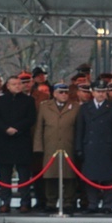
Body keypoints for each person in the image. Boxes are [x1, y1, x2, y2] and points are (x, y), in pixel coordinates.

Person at [74, 80, 112, 214]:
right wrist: (79, 148)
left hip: (107, 147)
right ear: (92, 92)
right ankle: (92, 204)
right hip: (90, 146)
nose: (100, 94)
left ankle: (108, 204)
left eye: (103, 91)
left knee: (108, 179)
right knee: (90, 178)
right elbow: (80, 130)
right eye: (98, 91)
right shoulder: (84, 108)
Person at [33, 82, 80, 212]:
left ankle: (68, 202)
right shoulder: (45, 106)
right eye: (61, 92)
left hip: (68, 145)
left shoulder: (75, 107)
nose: (64, 95)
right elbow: (39, 128)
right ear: (54, 94)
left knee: (69, 175)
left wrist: (78, 147)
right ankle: (51, 202)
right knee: (50, 175)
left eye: (66, 92)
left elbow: (78, 128)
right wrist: (38, 147)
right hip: (50, 145)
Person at [0, 75, 36, 212]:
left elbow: (31, 119)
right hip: (4, 141)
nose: (18, 86)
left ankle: (25, 202)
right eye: (14, 84)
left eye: (19, 84)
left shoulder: (29, 101)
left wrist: (17, 129)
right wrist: (5, 129)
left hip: (22, 141)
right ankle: (4, 202)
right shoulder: (0, 101)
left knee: (24, 175)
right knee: (4, 176)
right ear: (7, 86)